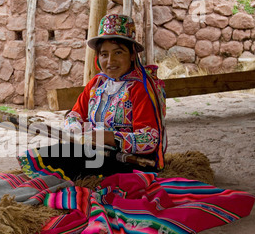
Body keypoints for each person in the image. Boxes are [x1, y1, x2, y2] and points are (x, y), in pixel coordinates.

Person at [18, 14, 167, 180]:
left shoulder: (140, 88)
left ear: (132, 55)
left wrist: (111, 138)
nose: (110, 61)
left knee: (66, 158)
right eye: (104, 54)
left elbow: (150, 139)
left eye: (118, 52)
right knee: (58, 152)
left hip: (130, 162)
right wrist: (73, 128)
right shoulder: (97, 84)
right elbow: (74, 114)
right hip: (95, 151)